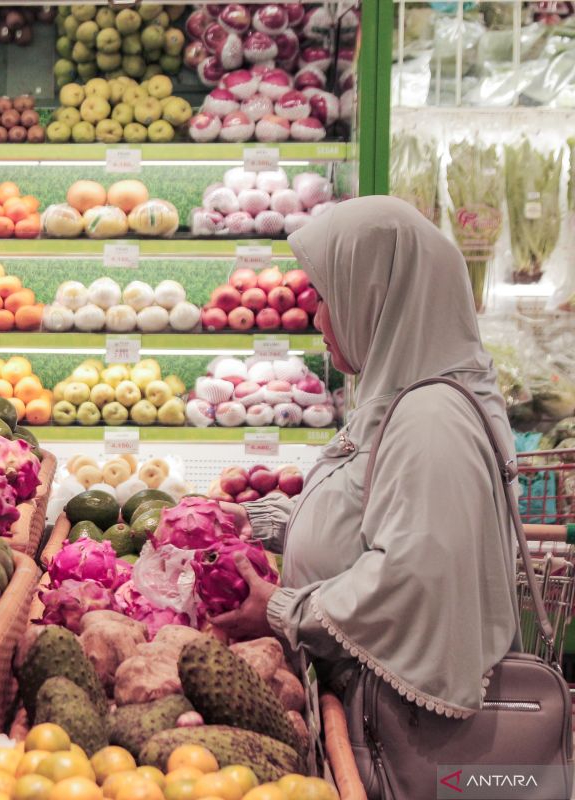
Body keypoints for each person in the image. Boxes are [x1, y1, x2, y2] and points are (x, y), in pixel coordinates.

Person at [211, 195, 519, 719]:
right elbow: (370, 513)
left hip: (400, 737)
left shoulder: (432, 419)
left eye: (330, 297)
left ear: (377, 297)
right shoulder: (405, 393)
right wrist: (261, 521)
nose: (320, 318)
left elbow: (414, 578)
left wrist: (285, 612)